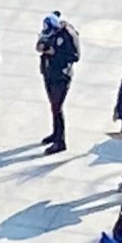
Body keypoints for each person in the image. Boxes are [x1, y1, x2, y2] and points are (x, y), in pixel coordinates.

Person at [36, 14, 81, 153]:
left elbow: (75, 56)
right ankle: (55, 133)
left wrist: (55, 53)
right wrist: (41, 47)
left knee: (57, 107)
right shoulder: (48, 31)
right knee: (53, 106)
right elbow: (41, 43)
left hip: (61, 76)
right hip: (49, 72)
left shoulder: (69, 35)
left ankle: (60, 141)